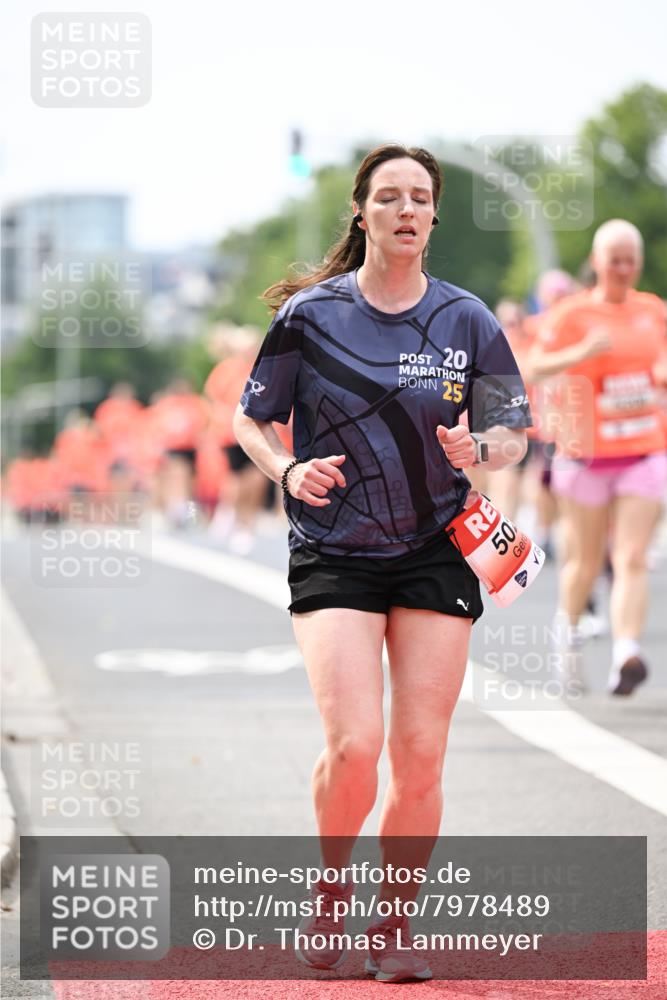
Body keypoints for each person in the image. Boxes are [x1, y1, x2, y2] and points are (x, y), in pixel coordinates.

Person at [233, 143, 531, 983]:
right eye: (390, 196)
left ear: (434, 217)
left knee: (421, 751)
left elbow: (512, 430)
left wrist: (480, 447)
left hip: (435, 545)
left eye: (421, 198)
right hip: (334, 549)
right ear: (361, 213)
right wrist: (287, 469)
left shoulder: (466, 319)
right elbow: (251, 418)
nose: (406, 210)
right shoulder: (311, 317)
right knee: (356, 743)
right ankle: (331, 890)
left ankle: (392, 924)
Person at [529, 220, 667, 696]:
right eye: (615, 261)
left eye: (631, 261)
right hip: (585, 455)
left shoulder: (652, 311)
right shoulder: (572, 314)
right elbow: (532, 367)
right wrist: (580, 351)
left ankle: (626, 652)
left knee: (630, 556)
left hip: (642, 450)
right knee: (585, 563)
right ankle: (566, 638)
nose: (623, 269)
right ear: (596, 261)